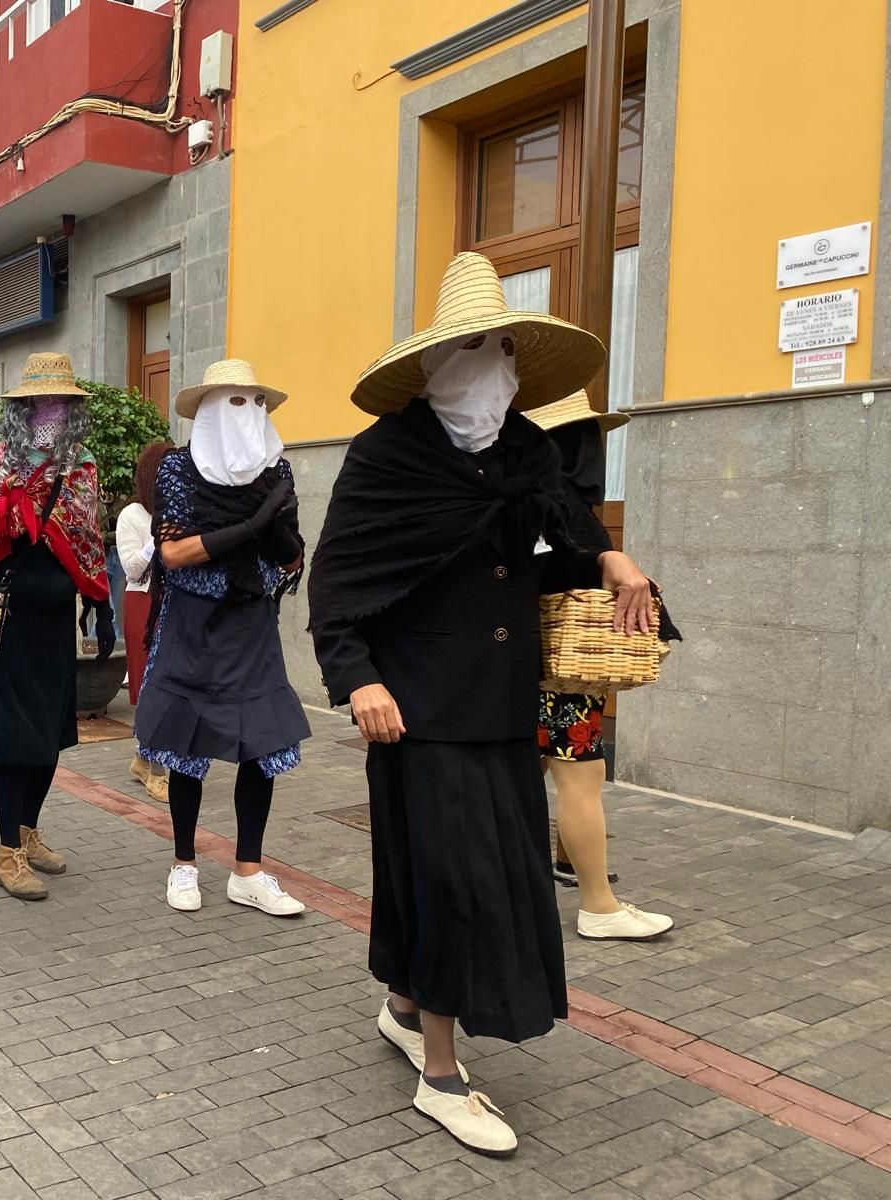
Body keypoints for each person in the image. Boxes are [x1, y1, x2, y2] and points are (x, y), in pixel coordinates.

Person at [308, 252, 655, 1157]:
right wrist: (359, 679)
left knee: (486, 872)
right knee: (450, 882)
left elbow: (549, 545)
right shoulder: (386, 455)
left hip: (502, 701)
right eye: (478, 347)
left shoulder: (522, 452)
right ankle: (440, 1072)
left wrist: (609, 558)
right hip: (416, 709)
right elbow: (338, 583)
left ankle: (404, 1002)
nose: (496, 365)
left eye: (506, 348)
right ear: (435, 364)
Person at [137, 361, 309, 917]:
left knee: (261, 743)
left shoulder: (276, 470)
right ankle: (184, 862)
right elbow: (174, 552)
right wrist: (253, 528)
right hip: (193, 620)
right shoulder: (178, 472)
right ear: (209, 409)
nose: (249, 414)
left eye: (256, 402)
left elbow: (292, 557)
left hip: (251, 619)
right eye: (235, 402)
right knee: (187, 746)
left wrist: (274, 526)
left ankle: (248, 871)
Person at [0, 352, 113, 901]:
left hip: (54, 624)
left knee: (50, 739)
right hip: (5, 620)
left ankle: (28, 830)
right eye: (42, 402)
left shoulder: (83, 464)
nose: (53, 411)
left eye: (62, 402)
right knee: (15, 741)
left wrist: (99, 604)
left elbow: (89, 540)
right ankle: (5, 851)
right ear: (22, 408)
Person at [528, 390, 674, 941]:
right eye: (585, 436)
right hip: (560, 673)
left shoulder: (549, 499)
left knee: (534, 779)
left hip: (548, 668)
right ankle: (598, 904)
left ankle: (529, 890)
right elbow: (550, 570)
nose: (594, 449)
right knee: (582, 778)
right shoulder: (552, 502)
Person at [117, 441, 172, 802]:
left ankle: (143, 758)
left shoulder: (179, 508)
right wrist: (158, 537)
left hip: (173, 602)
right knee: (149, 683)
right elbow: (132, 568)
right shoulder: (131, 516)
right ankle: (155, 769)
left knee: (168, 683)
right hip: (142, 600)